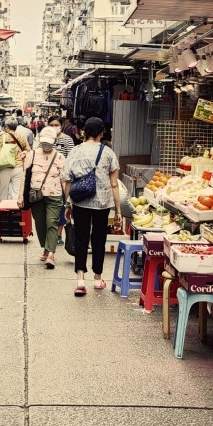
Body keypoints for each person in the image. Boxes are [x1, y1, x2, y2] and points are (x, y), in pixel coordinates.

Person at [61, 116, 121, 297]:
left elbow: (66, 179)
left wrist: (67, 204)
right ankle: (97, 278)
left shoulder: (75, 151)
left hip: (80, 201)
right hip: (102, 203)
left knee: (80, 239)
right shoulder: (108, 153)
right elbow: (115, 184)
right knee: (98, 239)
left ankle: (80, 280)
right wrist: (118, 210)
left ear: (84, 132)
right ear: (102, 133)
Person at [22, 127, 66, 269]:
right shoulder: (32, 154)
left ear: (55, 141)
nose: (46, 144)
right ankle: (46, 248)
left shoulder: (60, 157)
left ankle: (51, 254)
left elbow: (64, 179)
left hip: (55, 195)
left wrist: (69, 200)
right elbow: (24, 176)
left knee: (51, 222)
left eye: (49, 142)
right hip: (36, 195)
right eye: (44, 141)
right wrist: (19, 197)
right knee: (40, 224)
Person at [0, 119, 26, 203]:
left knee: (3, 194)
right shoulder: (21, 137)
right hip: (18, 167)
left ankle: (4, 213)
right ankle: (16, 212)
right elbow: (27, 151)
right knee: (17, 193)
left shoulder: (2, 137)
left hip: (4, 167)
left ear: (6, 127)